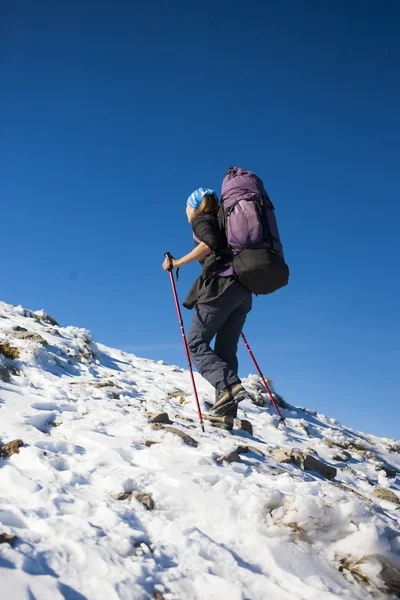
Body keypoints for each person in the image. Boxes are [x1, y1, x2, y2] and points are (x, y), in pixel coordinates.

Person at [162, 187, 252, 418]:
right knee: (225, 350)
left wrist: (178, 263)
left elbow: (209, 243)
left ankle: (229, 387)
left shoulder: (202, 220)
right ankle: (226, 415)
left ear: (193, 206)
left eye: (186, 207)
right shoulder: (225, 223)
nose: (185, 211)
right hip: (242, 291)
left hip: (220, 289)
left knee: (194, 343)